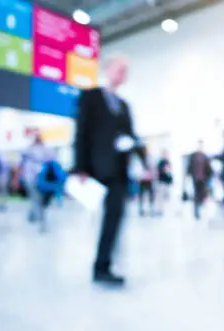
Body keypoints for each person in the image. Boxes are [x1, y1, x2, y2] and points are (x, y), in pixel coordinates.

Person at [74, 55, 146, 286]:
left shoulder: (124, 106)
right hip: (96, 168)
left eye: (126, 70)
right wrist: (80, 167)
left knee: (115, 216)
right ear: (108, 69)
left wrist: (145, 163)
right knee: (104, 216)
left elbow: (133, 138)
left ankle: (103, 265)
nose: (123, 73)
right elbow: (81, 133)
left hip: (118, 172)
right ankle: (102, 264)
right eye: (120, 68)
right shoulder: (91, 97)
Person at [21, 132, 53, 225]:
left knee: (39, 197)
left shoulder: (45, 149)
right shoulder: (29, 149)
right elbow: (23, 154)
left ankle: (33, 215)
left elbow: (51, 158)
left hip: (42, 177)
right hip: (30, 177)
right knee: (34, 196)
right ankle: (37, 216)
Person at [186, 140, 212, 220]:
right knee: (196, 194)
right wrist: (189, 174)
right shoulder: (193, 155)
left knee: (202, 194)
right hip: (196, 178)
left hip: (203, 179)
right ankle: (196, 211)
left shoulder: (205, 156)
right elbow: (189, 166)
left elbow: (208, 168)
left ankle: (199, 207)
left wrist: (209, 176)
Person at [137, 146, 157, 217]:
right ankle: (141, 209)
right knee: (141, 195)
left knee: (150, 195)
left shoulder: (150, 158)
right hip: (142, 180)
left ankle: (151, 209)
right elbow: (137, 169)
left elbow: (154, 167)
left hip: (149, 180)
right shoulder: (140, 158)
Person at [156, 149, 173, 216]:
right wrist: (164, 170)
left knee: (166, 196)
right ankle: (160, 209)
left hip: (166, 182)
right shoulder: (160, 162)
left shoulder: (168, 162)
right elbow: (159, 170)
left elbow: (169, 171)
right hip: (161, 181)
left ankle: (163, 210)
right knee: (160, 196)